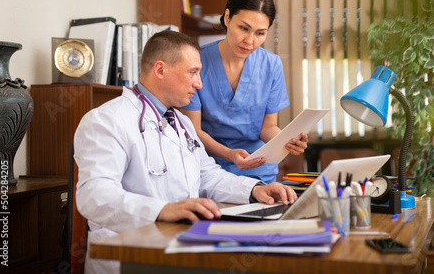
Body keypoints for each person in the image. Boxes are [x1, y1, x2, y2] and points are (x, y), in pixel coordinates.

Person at [73, 30, 297, 274]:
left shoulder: (181, 122)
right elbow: (94, 196)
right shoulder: (107, 120)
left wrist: (255, 190)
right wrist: (162, 210)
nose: (199, 83)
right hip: (128, 253)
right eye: (193, 72)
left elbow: (208, 175)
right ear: (160, 70)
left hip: (178, 244)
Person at [180, 0, 308, 184]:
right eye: (243, 28)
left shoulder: (271, 65)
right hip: (211, 171)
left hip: (259, 171)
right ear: (227, 17)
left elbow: (268, 128)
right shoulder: (197, 61)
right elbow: (193, 130)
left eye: (260, 33)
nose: (249, 41)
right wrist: (230, 154)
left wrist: (288, 141)